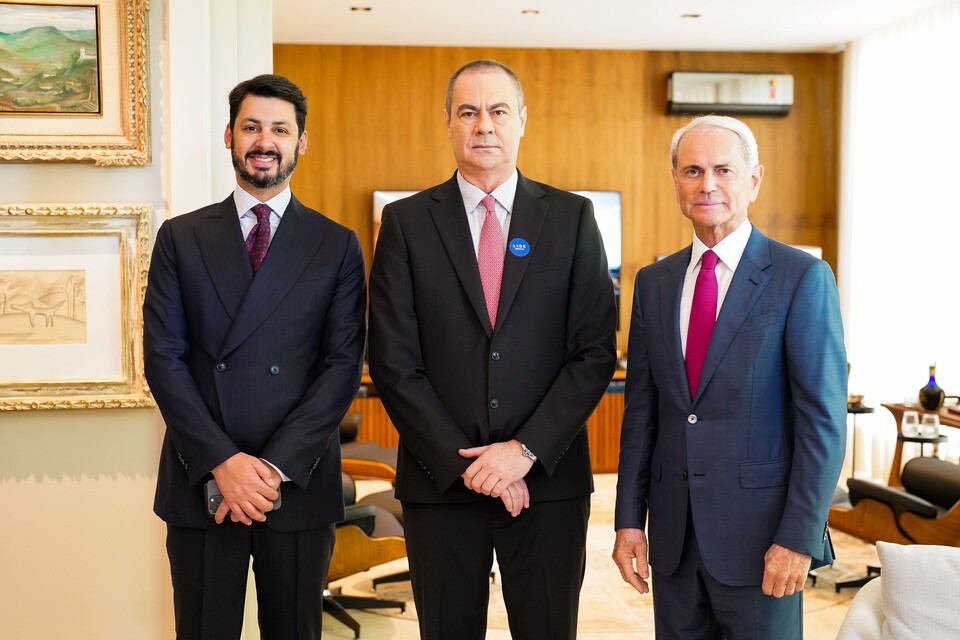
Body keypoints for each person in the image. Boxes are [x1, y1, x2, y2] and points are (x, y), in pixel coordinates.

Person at [368, 59, 618, 639]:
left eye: (498, 111)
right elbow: (393, 361)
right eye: (468, 111)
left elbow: (594, 352)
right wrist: (474, 466)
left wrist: (521, 453)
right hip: (442, 485)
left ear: (522, 121)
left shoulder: (573, 217)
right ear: (449, 124)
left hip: (547, 485)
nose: (484, 124)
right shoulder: (405, 222)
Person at [143, 74, 366, 639]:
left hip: (295, 483)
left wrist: (269, 469)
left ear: (301, 142)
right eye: (251, 127)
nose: (264, 141)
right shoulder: (180, 237)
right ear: (229, 136)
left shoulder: (336, 244)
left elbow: (341, 367)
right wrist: (224, 463)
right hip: (203, 481)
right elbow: (163, 360)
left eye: (279, 129)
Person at [611, 115, 847, 639]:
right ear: (676, 183)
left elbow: (822, 425)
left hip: (763, 544)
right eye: (692, 170)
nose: (707, 184)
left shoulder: (801, 278)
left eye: (723, 169)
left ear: (754, 179)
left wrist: (799, 538)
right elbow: (642, 415)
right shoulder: (653, 283)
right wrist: (629, 520)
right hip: (675, 544)